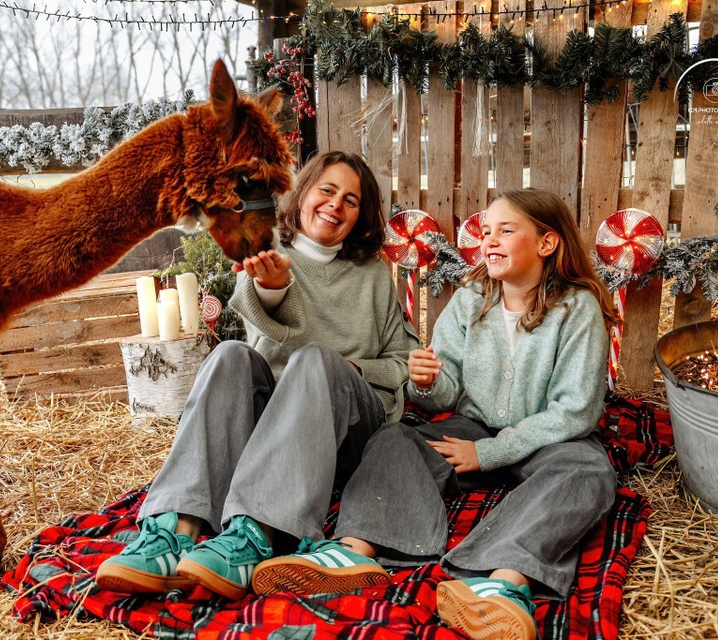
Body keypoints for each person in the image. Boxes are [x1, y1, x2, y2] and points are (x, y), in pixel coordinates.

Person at [250, 188, 619, 640]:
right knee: (393, 440)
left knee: (590, 470)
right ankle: (353, 551)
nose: (490, 241)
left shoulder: (576, 307)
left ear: (547, 243)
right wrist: (425, 382)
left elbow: (575, 410)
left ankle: (500, 582)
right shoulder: (470, 300)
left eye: (506, 230)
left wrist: (491, 452)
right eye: (486, 232)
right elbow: (444, 396)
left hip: (548, 437)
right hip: (471, 425)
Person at [95, 151, 419, 599]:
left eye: (351, 200)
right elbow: (261, 319)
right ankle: (174, 531)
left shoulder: (373, 275)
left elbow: (405, 359)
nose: (336, 205)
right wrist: (273, 287)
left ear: (360, 216)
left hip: (348, 430)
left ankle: (256, 533)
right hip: (274, 432)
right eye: (327, 190)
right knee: (230, 354)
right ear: (303, 193)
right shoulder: (269, 251)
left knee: (314, 359)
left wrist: (353, 368)